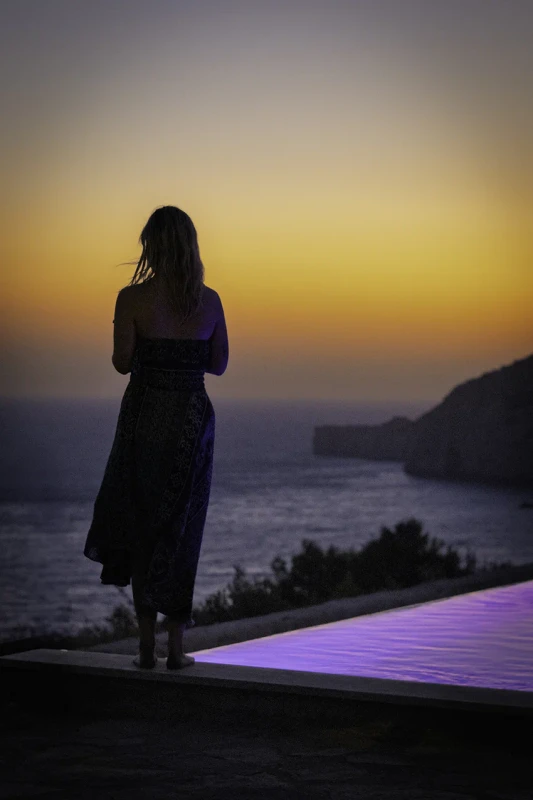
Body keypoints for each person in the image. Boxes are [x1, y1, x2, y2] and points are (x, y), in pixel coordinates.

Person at [83, 205, 228, 670]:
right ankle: (177, 649)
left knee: (142, 525)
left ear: (150, 245)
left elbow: (122, 362)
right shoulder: (210, 301)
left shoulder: (131, 299)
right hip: (190, 424)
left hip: (143, 420)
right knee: (182, 528)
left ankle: (145, 647)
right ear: (191, 246)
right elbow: (219, 364)